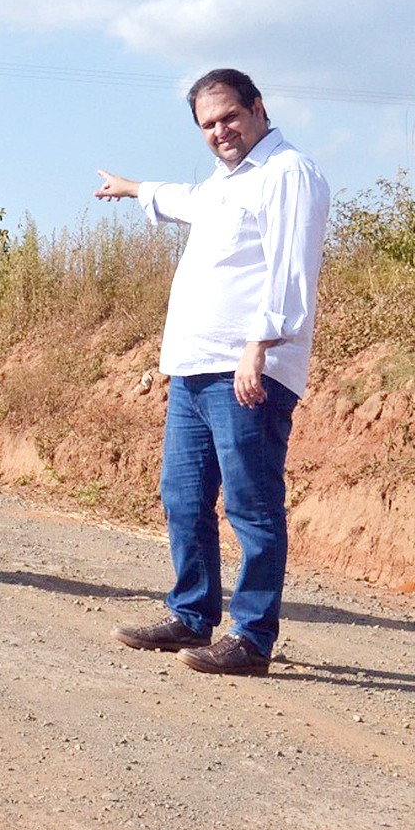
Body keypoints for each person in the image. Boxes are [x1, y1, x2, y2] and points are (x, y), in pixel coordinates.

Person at [95, 68, 329, 676]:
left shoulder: (287, 173)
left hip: (246, 368)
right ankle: (191, 616)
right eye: (207, 124)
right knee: (184, 498)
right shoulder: (226, 183)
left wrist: (260, 346)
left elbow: (291, 267)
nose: (220, 131)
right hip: (195, 370)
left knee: (252, 506)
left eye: (229, 116)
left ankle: (251, 637)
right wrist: (132, 187)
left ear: (257, 107)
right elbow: (183, 199)